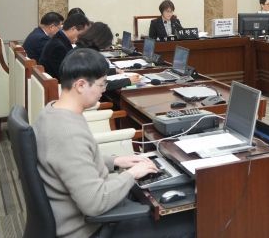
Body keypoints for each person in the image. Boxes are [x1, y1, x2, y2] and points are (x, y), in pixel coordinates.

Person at [33, 48, 195, 238]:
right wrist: (132, 174)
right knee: (193, 220)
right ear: (81, 85)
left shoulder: (51, 112)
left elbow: (71, 160)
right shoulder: (68, 133)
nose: (104, 90)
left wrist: (115, 161)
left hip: (81, 214)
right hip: (90, 229)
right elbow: (95, 203)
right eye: (102, 84)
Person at [75, 22, 140, 92]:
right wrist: (128, 81)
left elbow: (93, 72)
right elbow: (100, 85)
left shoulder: (80, 49)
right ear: (101, 41)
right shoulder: (87, 56)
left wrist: (114, 71)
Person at [39, 12, 90, 79]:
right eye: (81, 34)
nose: (81, 37)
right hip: (56, 83)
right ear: (73, 29)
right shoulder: (58, 46)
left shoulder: (59, 39)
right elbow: (65, 75)